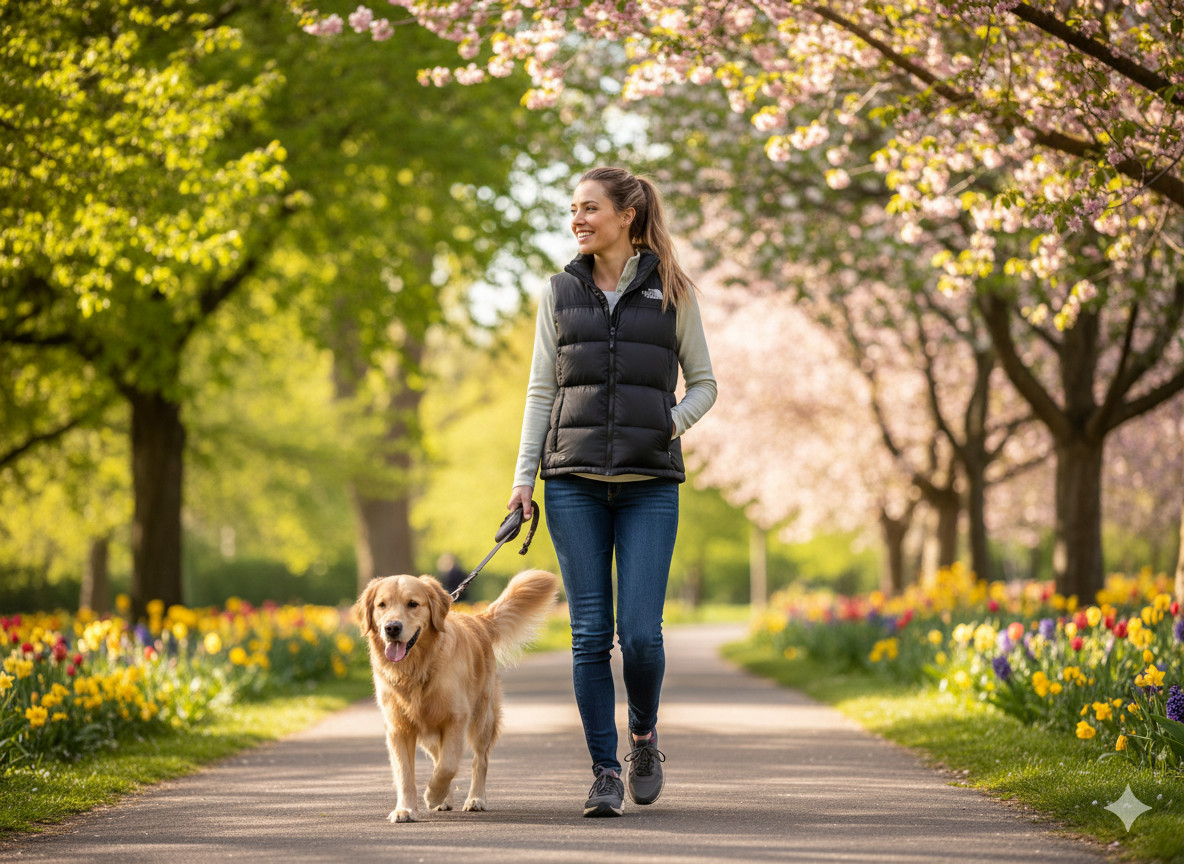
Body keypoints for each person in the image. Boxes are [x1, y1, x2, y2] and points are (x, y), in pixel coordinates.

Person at [508, 166, 717, 818]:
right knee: (590, 635)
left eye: (590, 207)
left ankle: (644, 737)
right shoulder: (559, 291)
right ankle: (604, 771)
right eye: (573, 208)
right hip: (571, 482)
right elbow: (542, 390)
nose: (578, 219)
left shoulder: (673, 291)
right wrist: (523, 480)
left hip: (649, 483)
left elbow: (704, 384)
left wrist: (668, 423)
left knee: (643, 636)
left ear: (627, 214)